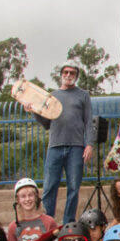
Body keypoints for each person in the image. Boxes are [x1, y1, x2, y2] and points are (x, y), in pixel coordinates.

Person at [30, 59, 95, 225]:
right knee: (50, 187)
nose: (68, 75)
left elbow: (88, 122)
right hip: (55, 147)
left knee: (73, 188)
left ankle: (68, 223)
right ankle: (47, 223)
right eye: (66, 72)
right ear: (61, 75)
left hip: (76, 147)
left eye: (72, 73)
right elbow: (46, 124)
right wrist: (34, 112)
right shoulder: (52, 96)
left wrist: (89, 144)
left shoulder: (83, 95)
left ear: (76, 76)